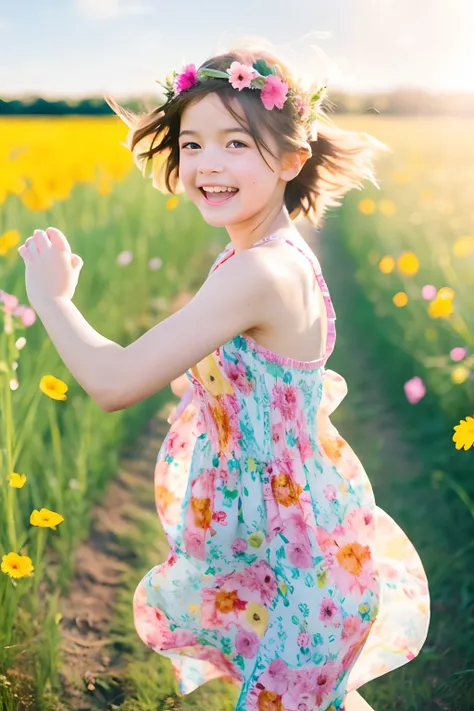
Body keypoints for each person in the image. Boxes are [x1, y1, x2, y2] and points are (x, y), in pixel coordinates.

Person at [19, 41, 429, 711]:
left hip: (308, 566)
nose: (208, 164)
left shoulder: (258, 274)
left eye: (237, 143)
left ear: (292, 159)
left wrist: (53, 299)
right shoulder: (265, 254)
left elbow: (116, 381)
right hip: (290, 545)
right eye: (193, 144)